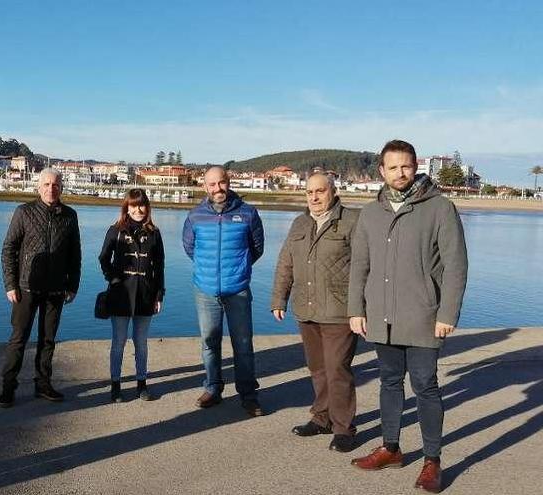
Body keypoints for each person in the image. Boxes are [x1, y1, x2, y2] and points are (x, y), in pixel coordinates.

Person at [348, 139, 468, 493]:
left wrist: (448, 312)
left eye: (407, 166)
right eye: (393, 167)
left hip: (424, 316)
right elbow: (359, 265)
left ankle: (432, 460)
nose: (400, 173)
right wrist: (356, 308)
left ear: (416, 167)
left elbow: (456, 266)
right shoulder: (370, 213)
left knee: (425, 386)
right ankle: (391, 447)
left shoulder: (440, 208)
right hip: (380, 316)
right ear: (382, 171)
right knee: (388, 381)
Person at [270, 171, 359, 452]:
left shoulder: (352, 221)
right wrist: (278, 299)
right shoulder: (299, 223)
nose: (314, 197)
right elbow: (286, 263)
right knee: (318, 368)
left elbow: (365, 266)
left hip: (339, 311)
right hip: (306, 308)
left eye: (320, 191)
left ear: (333, 191)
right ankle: (322, 418)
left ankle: (344, 427)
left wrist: (360, 308)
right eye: (309, 192)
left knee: (337, 370)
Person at [182, 166, 265, 415]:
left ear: (228, 182)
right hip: (205, 290)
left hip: (237, 289)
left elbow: (257, 248)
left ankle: (248, 395)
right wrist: (208, 271)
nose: (217, 189)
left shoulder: (248, 213)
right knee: (209, 342)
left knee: (243, 344)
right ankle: (213, 388)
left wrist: (237, 269)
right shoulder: (195, 216)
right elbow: (189, 248)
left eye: (221, 183)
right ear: (204, 186)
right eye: (212, 184)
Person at [0, 168, 81, 407]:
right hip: (25, 287)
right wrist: (10, 284)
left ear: (62, 188)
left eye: (55, 185)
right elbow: (8, 250)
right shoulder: (23, 212)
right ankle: (8, 386)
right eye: (46, 184)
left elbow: (75, 254)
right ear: (38, 187)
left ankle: (43, 384)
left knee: (48, 340)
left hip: (56, 289)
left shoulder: (70, 216)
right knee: (18, 339)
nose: (50, 189)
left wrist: (72, 284)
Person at [98, 188, 165, 402]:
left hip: (146, 295)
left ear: (147, 207)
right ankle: (115, 385)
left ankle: (141, 384)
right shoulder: (116, 230)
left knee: (141, 342)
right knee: (118, 341)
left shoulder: (154, 233)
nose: (138, 209)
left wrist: (159, 295)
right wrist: (113, 279)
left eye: (142, 204)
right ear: (126, 207)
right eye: (133, 205)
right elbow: (103, 258)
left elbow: (160, 266)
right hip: (120, 295)